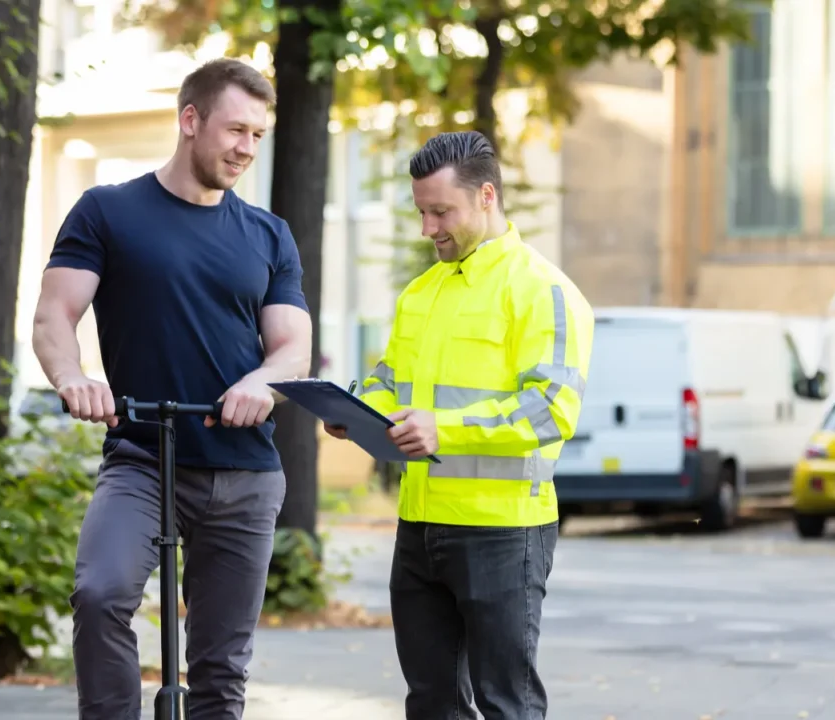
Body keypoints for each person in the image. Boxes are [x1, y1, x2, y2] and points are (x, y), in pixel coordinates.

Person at [31, 57, 312, 720]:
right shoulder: (108, 211)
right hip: (141, 456)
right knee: (100, 595)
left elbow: (292, 347)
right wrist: (72, 377)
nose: (246, 148)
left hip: (244, 471)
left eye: (257, 136)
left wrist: (262, 383)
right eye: (235, 130)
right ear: (190, 121)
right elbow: (54, 315)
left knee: (219, 666)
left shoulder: (268, 235)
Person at [326, 130, 593, 719]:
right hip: (419, 527)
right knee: (431, 703)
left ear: (487, 196)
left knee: (506, 704)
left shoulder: (543, 291)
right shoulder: (421, 293)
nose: (428, 228)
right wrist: (355, 410)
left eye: (441, 211)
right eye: (421, 211)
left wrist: (443, 429)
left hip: (502, 530)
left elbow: (550, 409)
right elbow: (388, 379)